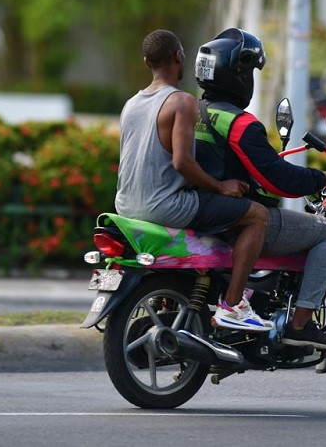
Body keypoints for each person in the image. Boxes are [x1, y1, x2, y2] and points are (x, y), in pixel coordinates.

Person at [193, 27, 326, 350]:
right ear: (237, 75)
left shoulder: (193, 112)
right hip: (235, 219)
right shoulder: (240, 123)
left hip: (199, 209)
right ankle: (300, 324)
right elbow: (278, 180)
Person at [115, 29, 272, 331]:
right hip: (164, 206)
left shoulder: (131, 104)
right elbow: (182, 161)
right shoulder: (182, 102)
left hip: (125, 208)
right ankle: (234, 305)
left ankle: (175, 298)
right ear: (178, 56)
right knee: (256, 215)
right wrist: (221, 186)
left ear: (147, 61)